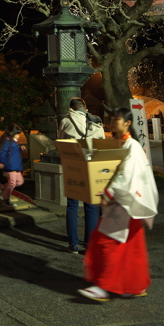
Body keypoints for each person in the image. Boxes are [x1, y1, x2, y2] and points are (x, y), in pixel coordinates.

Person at [79, 107, 159, 303]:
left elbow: (127, 174)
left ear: (127, 123)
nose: (112, 122)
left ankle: (102, 287)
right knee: (130, 248)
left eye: (116, 120)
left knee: (107, 242)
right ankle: (134, 285)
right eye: (112, 119)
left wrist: (108, 192)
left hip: (125, 202)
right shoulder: (119, 144)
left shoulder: (131, 146)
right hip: (126, 203)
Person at [58, 97, 104, 253]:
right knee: (91, 206)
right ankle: (90, 244)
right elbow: (101, 145)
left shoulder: (66, 121)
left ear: (71, 108)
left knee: (72, 205)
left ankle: (73, 245)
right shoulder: (96, 122)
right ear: (85, 108)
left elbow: (61, 143)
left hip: (74, 166)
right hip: (92, 166)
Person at [0, 124, 26, 207]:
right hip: (10, 166)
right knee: (12, 183)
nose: (19, 136)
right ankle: (6, 199)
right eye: (17, 134)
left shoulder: (14, 142)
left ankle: (3, 187)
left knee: (19, 182)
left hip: (16, 166)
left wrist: (20, 149)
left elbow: (13, 153)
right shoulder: (8, 142)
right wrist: (2, 162)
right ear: (12, 133)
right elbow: (3, 152)